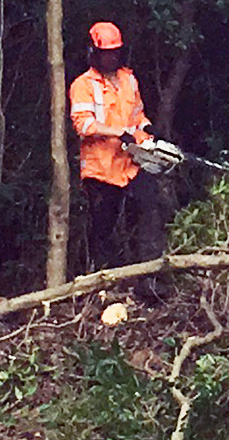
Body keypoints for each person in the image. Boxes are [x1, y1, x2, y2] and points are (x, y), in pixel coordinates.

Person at [68, 21, 166, 272]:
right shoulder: (82, 85)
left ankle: (150, 275)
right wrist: (117, 133)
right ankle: (104, 282)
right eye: (106, 53)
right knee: (103, 229)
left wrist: (146, 130)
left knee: (151, 208)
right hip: (101, 170)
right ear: (94, 53)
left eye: (115, 52)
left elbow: (138, 115)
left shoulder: (129, 80)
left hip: (132, 164)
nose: (111, 57)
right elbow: (83, 125)